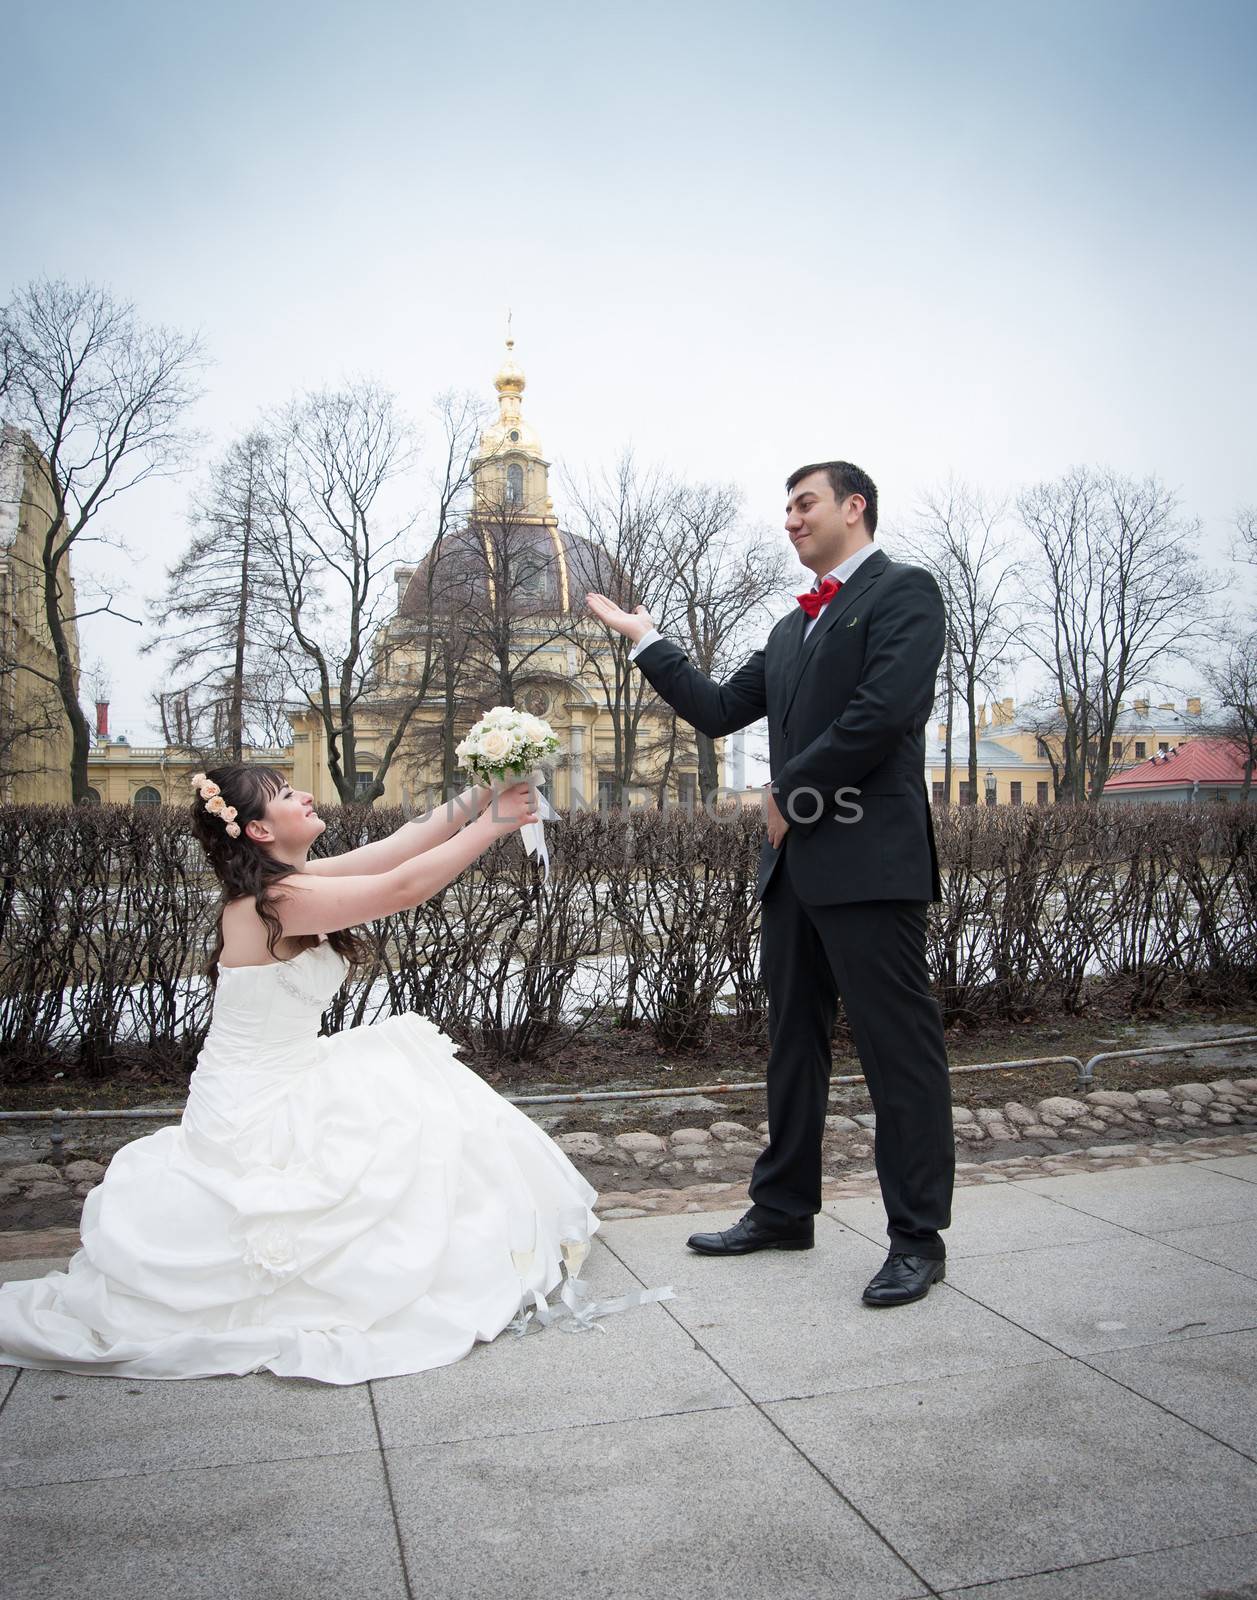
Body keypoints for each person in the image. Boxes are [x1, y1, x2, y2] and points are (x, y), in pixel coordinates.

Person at [0, 768, 647, 1383]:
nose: (305, 795)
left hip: (288, 1072)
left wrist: (483, 789)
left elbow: (399, 847)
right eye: (284, 793)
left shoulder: (289, 882)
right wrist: (491, 826)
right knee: (402, 1093)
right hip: (255, 1103)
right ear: (257, 829)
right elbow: (400, 889)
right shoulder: (270, 902)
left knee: (414, 1091)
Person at [587, 460, 954, 1308]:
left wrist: (794, 791)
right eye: (785, 508)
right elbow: (717, 709)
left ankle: (916, 1239)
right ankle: (783, 1209)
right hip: (791, 872)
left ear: (852, 507)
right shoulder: (791, 631)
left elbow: (883, 711)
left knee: (899, 1053)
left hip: (869, 865)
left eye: (804, 504)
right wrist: (648, 641)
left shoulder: (905, 592)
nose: (789, 519)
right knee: (792, 1045)